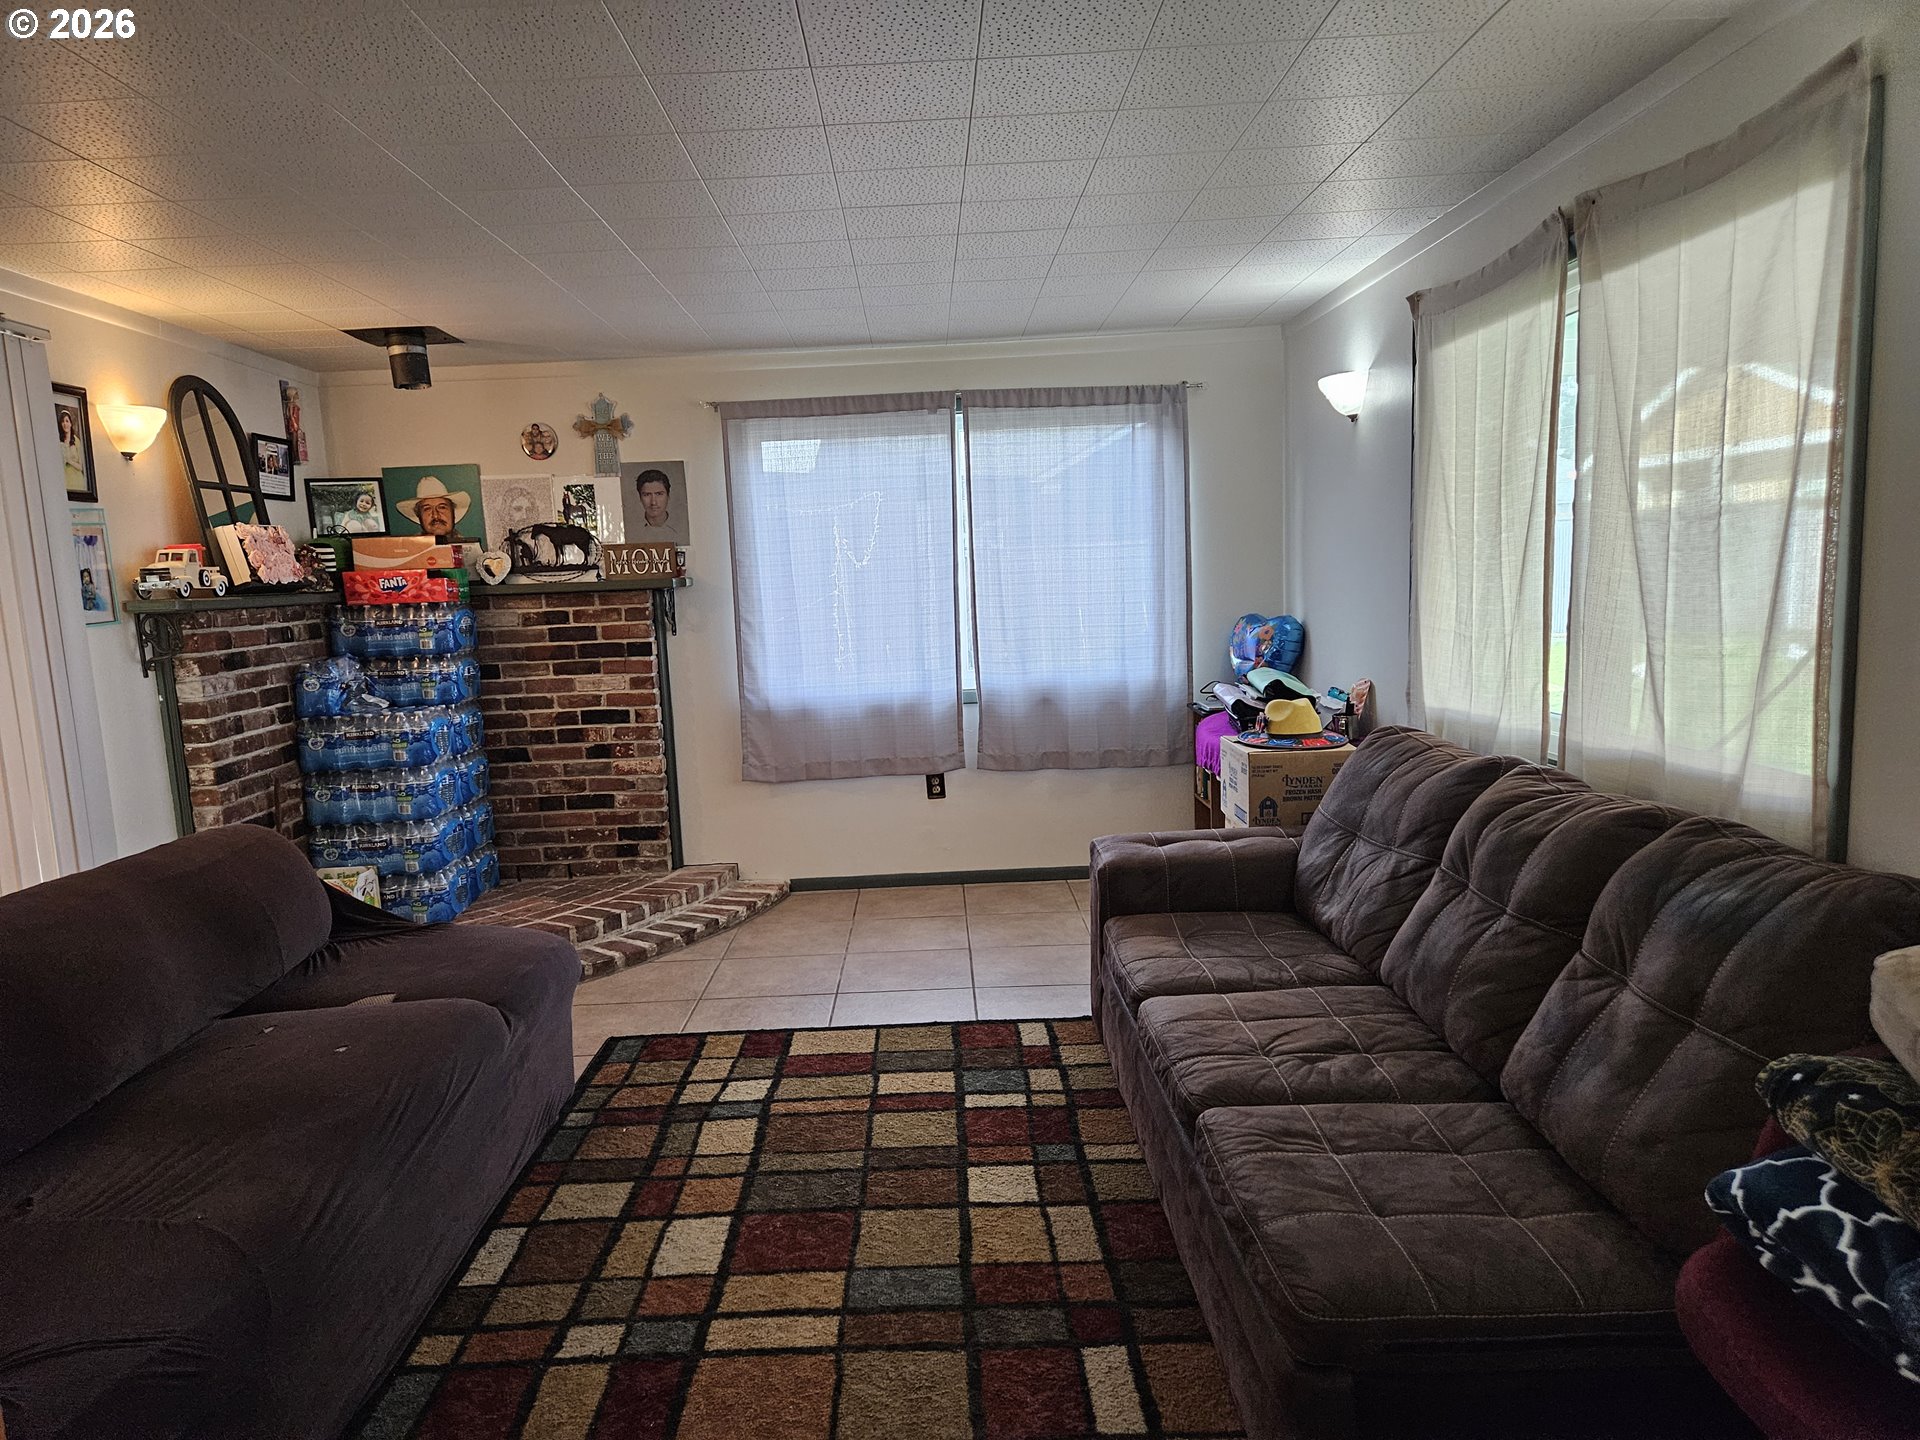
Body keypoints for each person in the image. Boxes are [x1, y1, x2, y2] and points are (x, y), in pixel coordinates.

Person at [397, 475, 470, 540]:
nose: (435, 515)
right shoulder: (409, 551)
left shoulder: (471, 551)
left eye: (442, 507)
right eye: (427, 509)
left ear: (453, 512)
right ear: (418, 515)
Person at [58, 406, 86, 493]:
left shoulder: (76, 441)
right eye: (63, 422)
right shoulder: (59, 441)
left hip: (76, 479)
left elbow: (81, 467)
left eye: (67, 421)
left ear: (70, 423)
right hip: (65, 479)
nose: (65, 424)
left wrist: (69, 461)